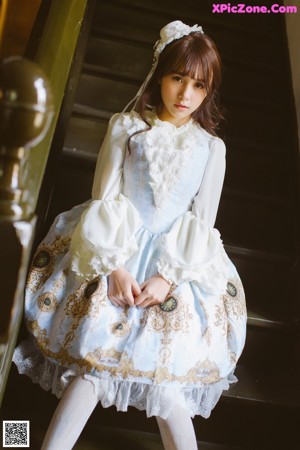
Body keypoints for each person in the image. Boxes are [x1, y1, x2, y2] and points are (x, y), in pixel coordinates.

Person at [13, 20, 247, 450]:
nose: (185, 94)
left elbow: (202, 220)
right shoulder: (126, 127)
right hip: (113, 254)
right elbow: (103, 199)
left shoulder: (211, 148)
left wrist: (168, 278)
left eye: (198, 85)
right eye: (178, 79)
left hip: (172, 267)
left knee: (167, 387)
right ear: (160, 74)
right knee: (92, 369)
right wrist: (115, 268)